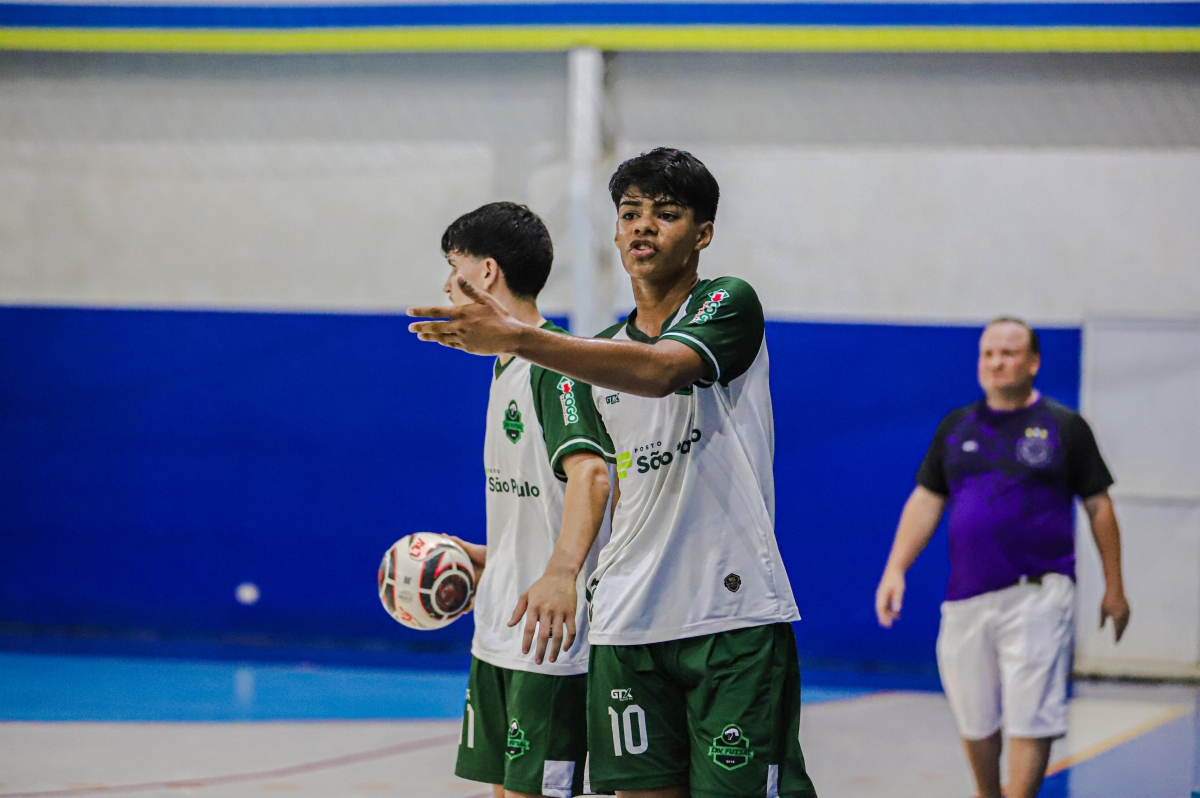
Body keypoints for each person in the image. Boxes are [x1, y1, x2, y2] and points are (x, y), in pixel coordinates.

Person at [410, 148, 818, 798]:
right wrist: (545, 566)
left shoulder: (727, 302)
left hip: (728, 614)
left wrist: (516, 337)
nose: (642, 226)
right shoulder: (592, 358)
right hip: (626, 621)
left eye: (666, 213)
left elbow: (663, 371)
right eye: (630, 213)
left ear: (703, 233)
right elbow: (605, 487)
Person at [874, 317, 1131, 798]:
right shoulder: (956, 426)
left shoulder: (1065, 427)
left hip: (1039, 593)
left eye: (1009, 353)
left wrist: (1114, 587)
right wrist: (896, 568)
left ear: (1033, 363)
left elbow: (1099, 506)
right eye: (988, 353)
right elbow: (927, 499)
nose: (996, 362)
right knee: (975, 717)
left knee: (1031, 716)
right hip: (966, 597)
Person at [440, 203, 615, 798]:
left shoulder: (553, 364)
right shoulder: (505, 368)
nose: (446, 285)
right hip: (499, 627)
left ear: (487, 273)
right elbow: (544, 500)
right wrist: (499, 558)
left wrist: (561, 574)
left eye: (455, 267)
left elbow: (592, 475)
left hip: (548, 639)